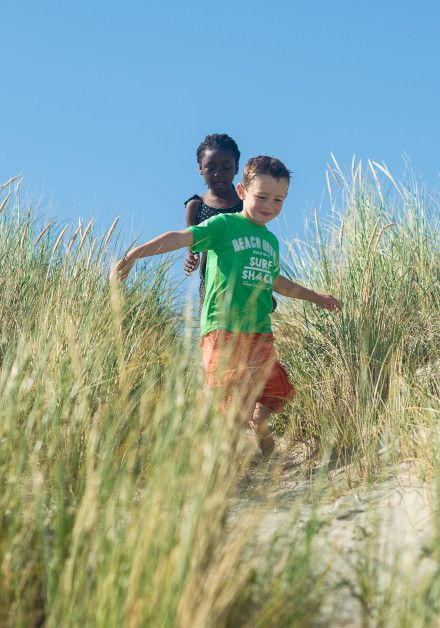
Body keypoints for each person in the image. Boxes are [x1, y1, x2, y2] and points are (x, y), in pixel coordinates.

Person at [114, 156, 342, 457]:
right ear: (241, 192)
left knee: (275, 391)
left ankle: (259, 426)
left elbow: (279, 283)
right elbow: (181, 237)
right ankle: (225, 462)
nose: (269, 205)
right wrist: (134, 254)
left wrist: (316, 297)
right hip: (222, 329)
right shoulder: (224, 225)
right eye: (261, 196)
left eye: (279, 199)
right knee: (233, 401)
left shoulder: (270, 241)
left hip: (259, 332)